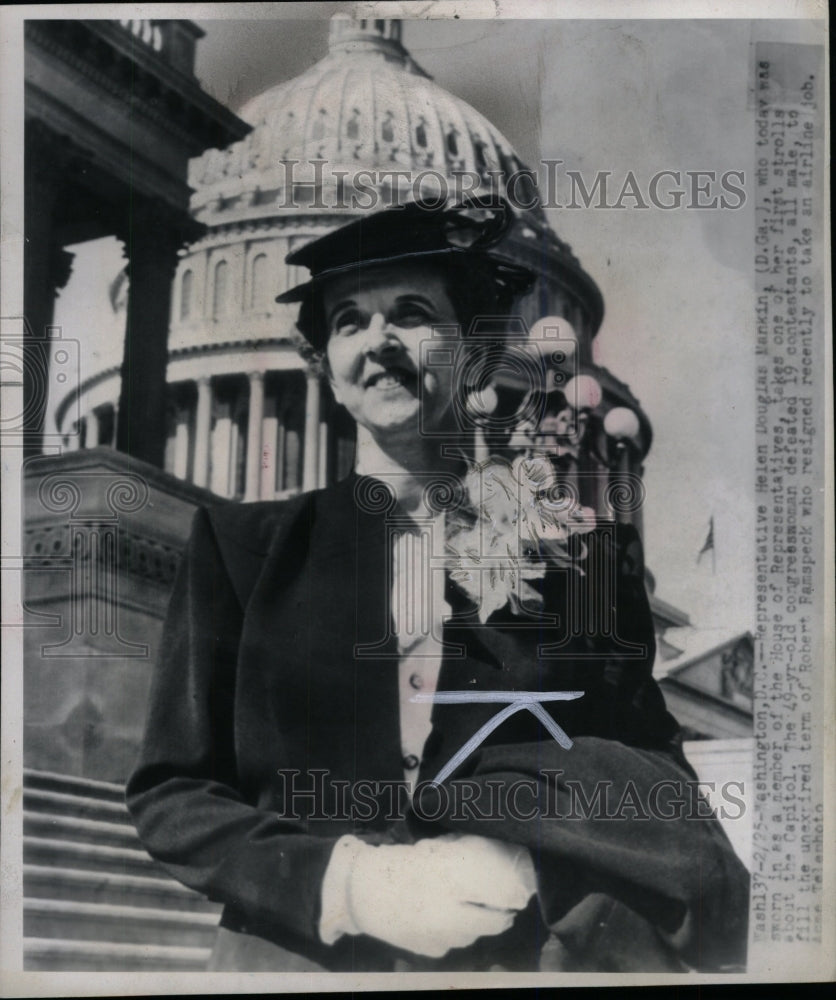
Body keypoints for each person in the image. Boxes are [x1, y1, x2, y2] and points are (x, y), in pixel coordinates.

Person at [126, 196, 749, 974]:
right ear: (325, 363)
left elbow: (656, 779)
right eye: (349, 321)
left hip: (513, 956)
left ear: (476, 351)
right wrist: (350, 884)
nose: (378, 342)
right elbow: (173, 792)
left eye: (411, 313)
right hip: (294, 965)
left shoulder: (581, 560)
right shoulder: (241, 550)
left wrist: (533, 849)